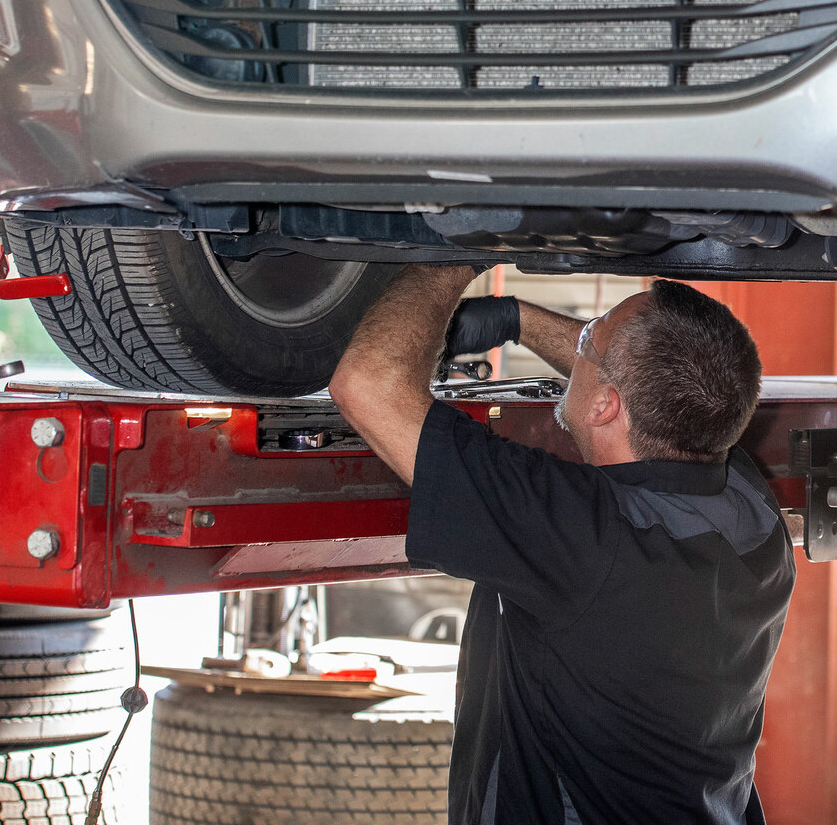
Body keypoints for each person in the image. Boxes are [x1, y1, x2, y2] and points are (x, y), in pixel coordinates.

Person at [328, 266, 794, 825]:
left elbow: (366, 384)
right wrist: (515, 320)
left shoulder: (582, 539)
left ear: (605, 406)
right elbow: (654, 380)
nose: (579, 341)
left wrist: (448, 258)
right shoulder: (751, 511)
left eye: (588, 336)